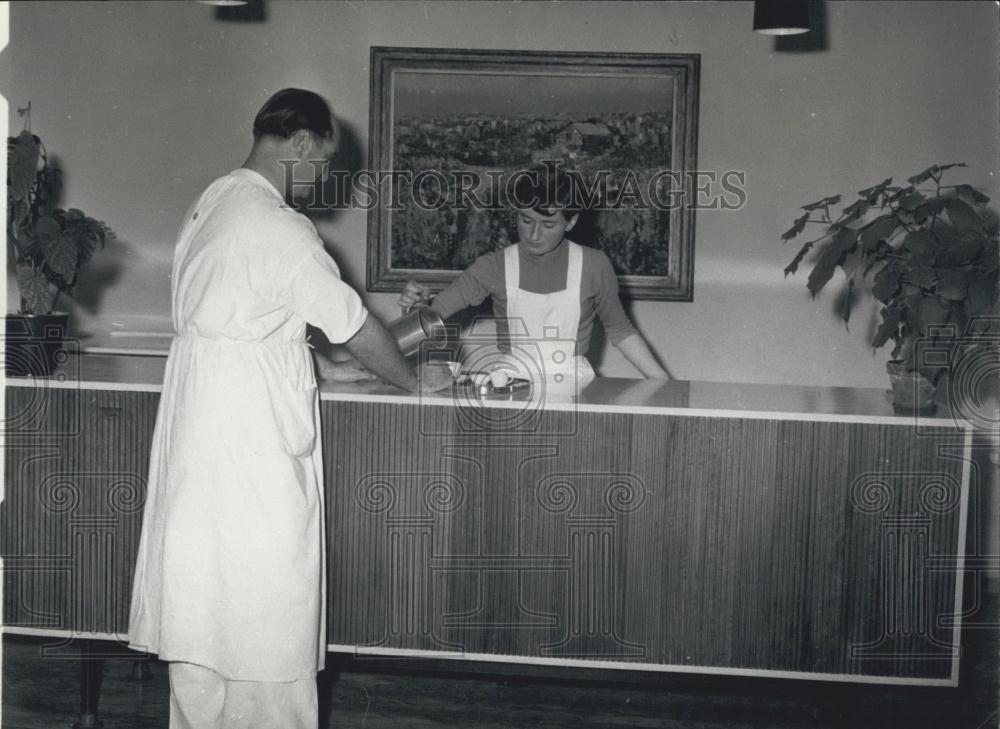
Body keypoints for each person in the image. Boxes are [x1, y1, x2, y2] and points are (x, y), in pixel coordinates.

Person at [127, 88, 451, 729]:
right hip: (250, 434)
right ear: (299, 143)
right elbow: (353, 324)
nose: (322, 178)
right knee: (267, 609)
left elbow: (249, 317)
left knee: (202, 613)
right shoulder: (279, 225)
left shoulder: (214, 201)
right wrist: (411, 383)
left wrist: (325, 369)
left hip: (198, 420)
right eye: (324, 161)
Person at [400, 164, 670, 387]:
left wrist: (664, 385)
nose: (534, 235)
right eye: (526, 220)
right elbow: (432, 316)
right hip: (509, 386)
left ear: (571, 222)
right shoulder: (493, 266)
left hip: (574, 386)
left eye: (549, 224)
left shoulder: (595, 266)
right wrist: (415, 307)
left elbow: (621, 331)